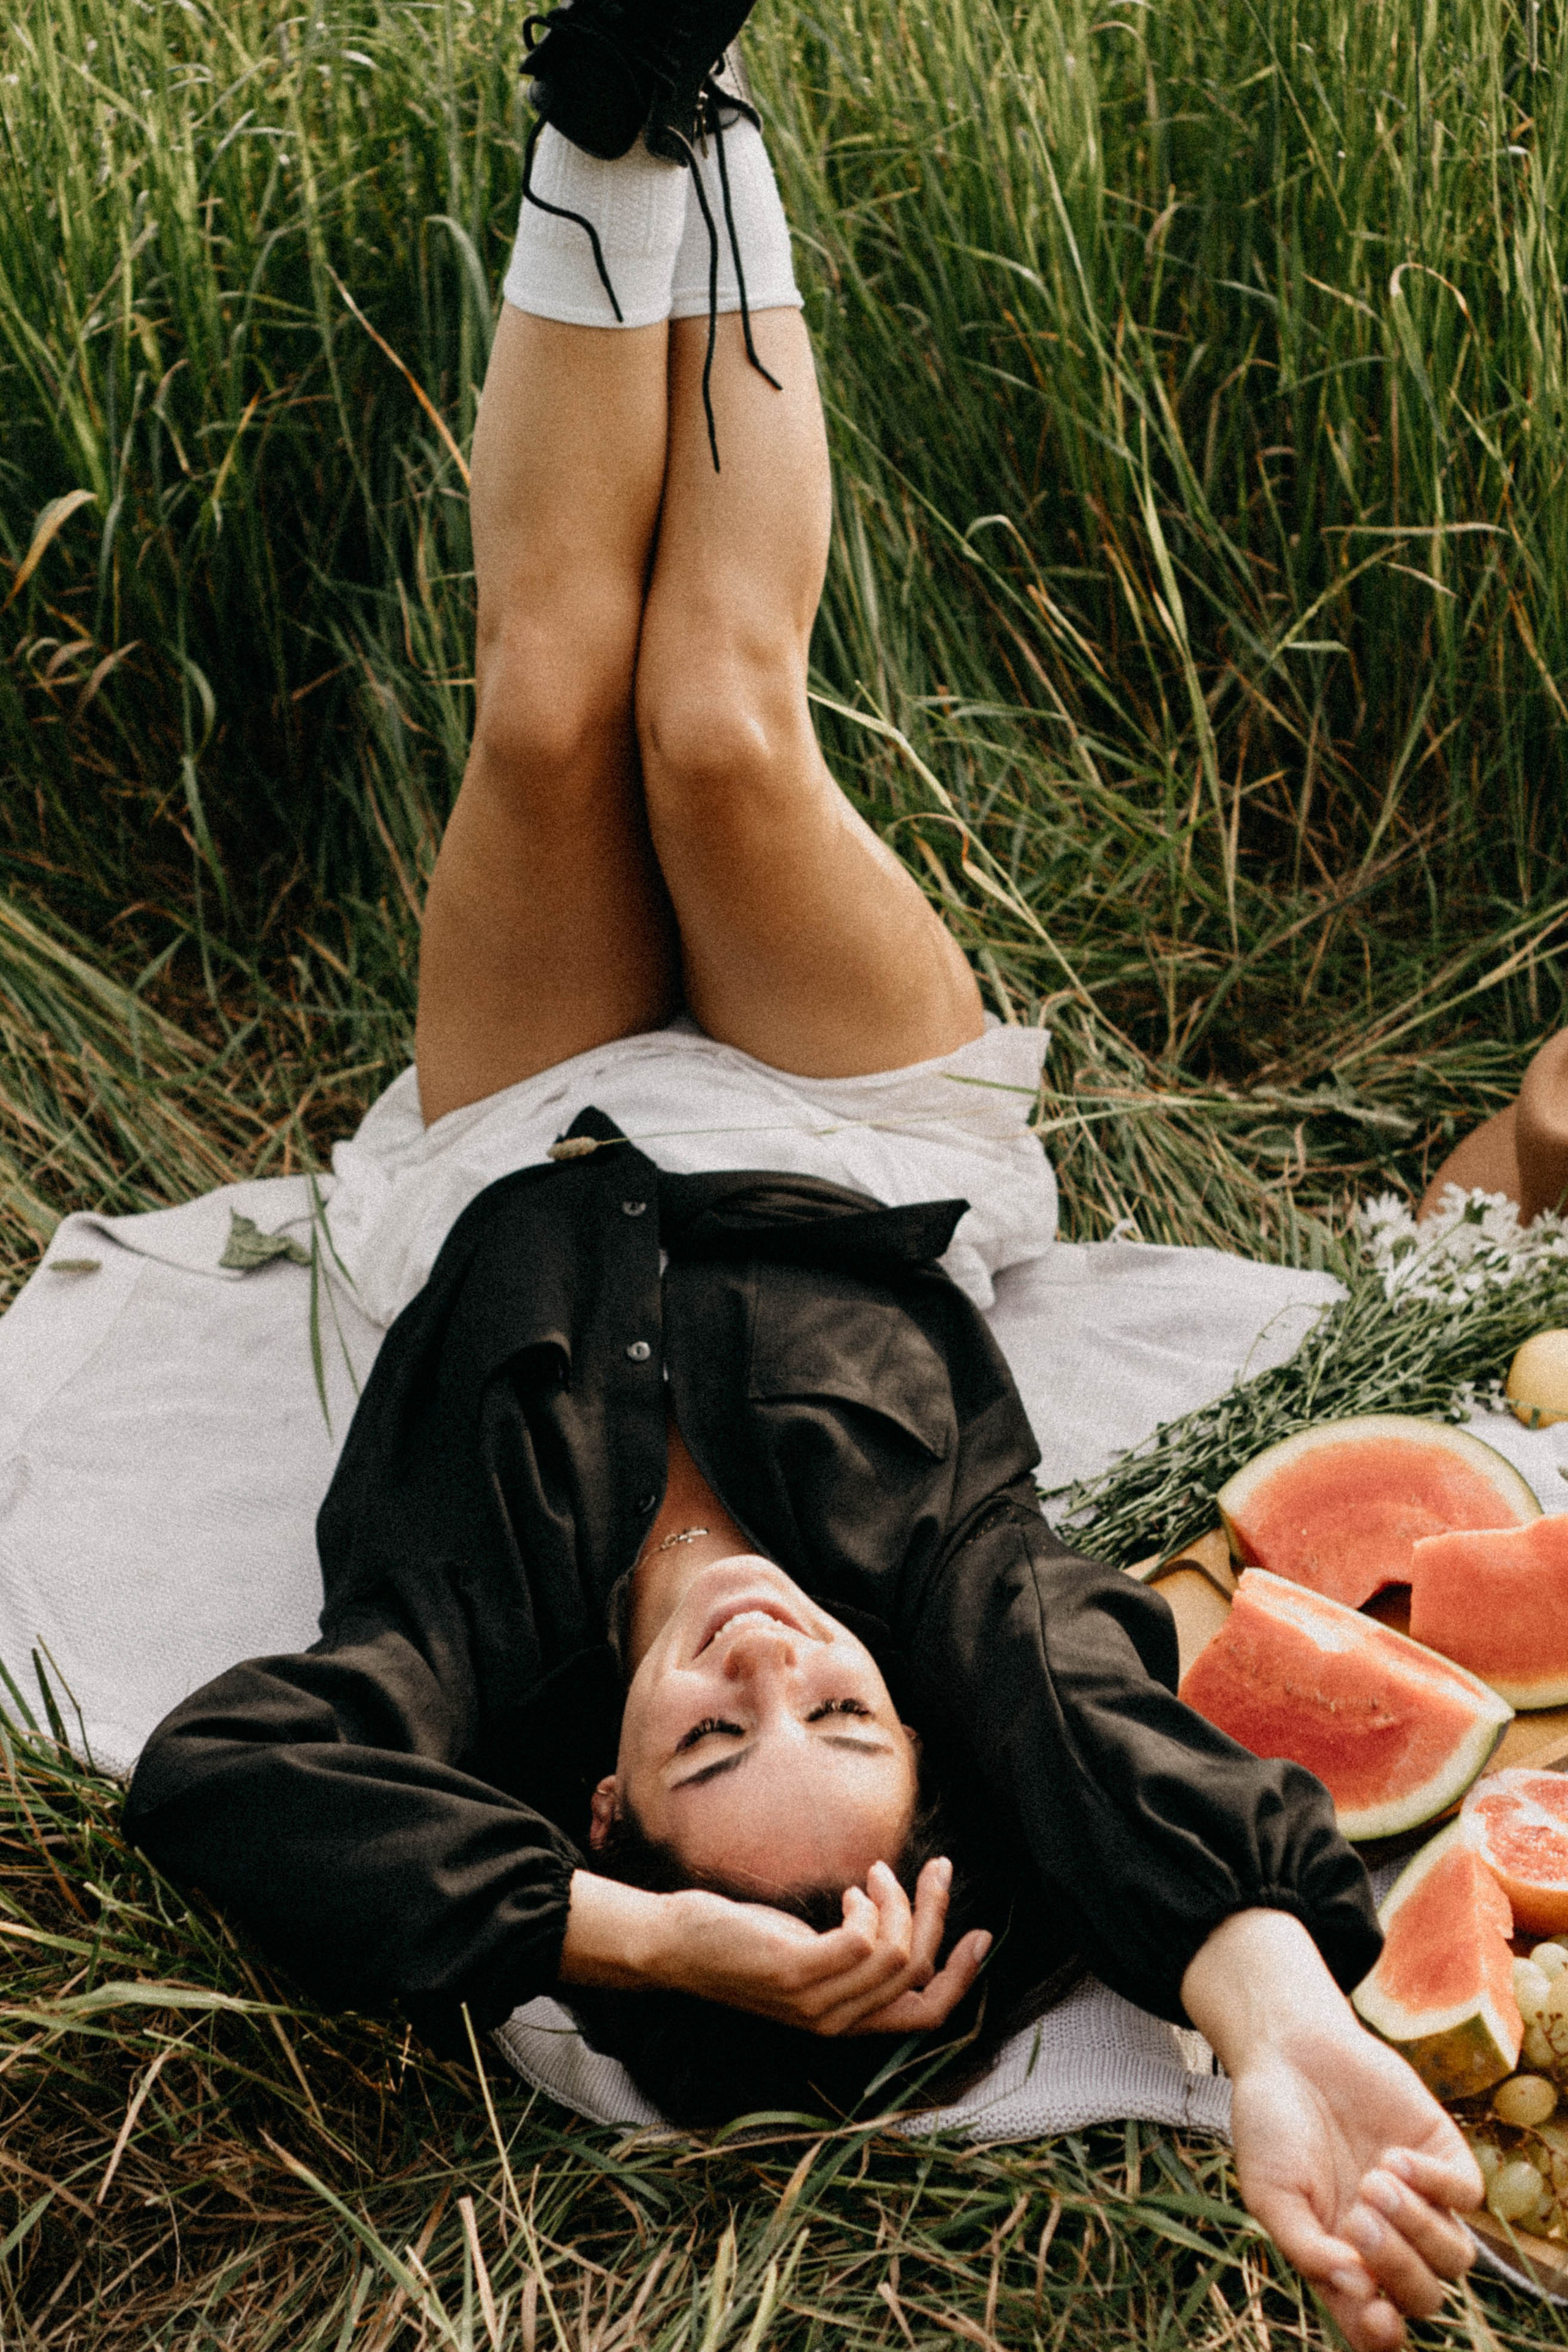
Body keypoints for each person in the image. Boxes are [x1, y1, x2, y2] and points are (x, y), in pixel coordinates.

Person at [124, 12, 1489, 2350]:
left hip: (517, 1138)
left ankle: (610, 130)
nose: (772, 1666)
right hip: (842, 1125)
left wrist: (638, 1947)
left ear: (604, 1807)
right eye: (842, 1722)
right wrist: (1277, 2027)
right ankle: (703, 92)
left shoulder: (471, 1635)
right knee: (720, 721)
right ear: (919, 1717)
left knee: (553, 694)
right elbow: (1087, 1731)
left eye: (706, 1742)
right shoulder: (954, 1590)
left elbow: (223, 1780)